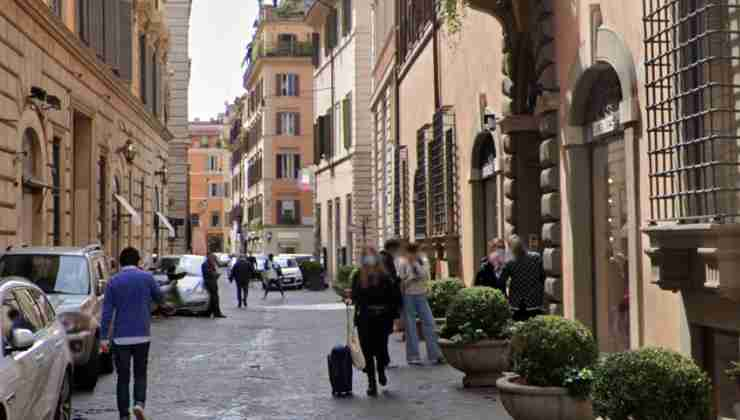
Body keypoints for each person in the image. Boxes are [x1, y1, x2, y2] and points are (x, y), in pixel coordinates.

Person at [101, 247, 168, 420]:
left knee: (123, 378)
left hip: (120, 336)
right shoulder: (147, 278)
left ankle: (124, 415)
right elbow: (160, 298)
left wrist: (103, 339)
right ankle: (139, 404)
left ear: (121, 262)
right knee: (140, 373)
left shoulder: (113, 281)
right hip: (142, 334)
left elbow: (107, 312)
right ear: (138, 261)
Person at [349, 247, 399, 396]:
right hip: (365, 318)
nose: (369, 260)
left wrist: (393, 316)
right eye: (366, 257)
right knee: (367, 352)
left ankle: (381, 371)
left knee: (381, 349)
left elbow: (393, 297)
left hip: (382, 318)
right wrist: (350, 298)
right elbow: (355, 296)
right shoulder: (358, 275)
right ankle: (371, 383)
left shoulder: (384, 276)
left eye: (371, 257)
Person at [397, 243, 443, 366]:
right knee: (410, 326)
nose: (413, 254)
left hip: (421, 294)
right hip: (408, 295)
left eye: (415, 252)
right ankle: (413, 356)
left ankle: (435, 354)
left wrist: (419, 273)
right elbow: (401, 282)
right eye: (411, 252)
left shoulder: (423, 261)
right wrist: (410, 278)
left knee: (430, 322)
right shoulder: (403, 263)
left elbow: (427, 277)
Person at [499, 235, 546, 321]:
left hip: (517, 302)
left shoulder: (510, 263)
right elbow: (542, 276)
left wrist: (505, 297)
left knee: (519, 328)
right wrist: (540, 290)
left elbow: (501, 281)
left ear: (510, 248)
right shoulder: (536, 257)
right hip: (534, 300)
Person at [201, 253, 226, 318]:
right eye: (213, 258)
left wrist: (216, 274)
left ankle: (211, 312)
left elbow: (219, 265)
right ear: (209, 257)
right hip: (210, 283)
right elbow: (208, 273)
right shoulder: (205, 264)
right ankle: (215, 313)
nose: (213, 259)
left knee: (214, 298)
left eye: (214, 258)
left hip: (212, 282)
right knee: (214, 298)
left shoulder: (210, 264)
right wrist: (215, 274)